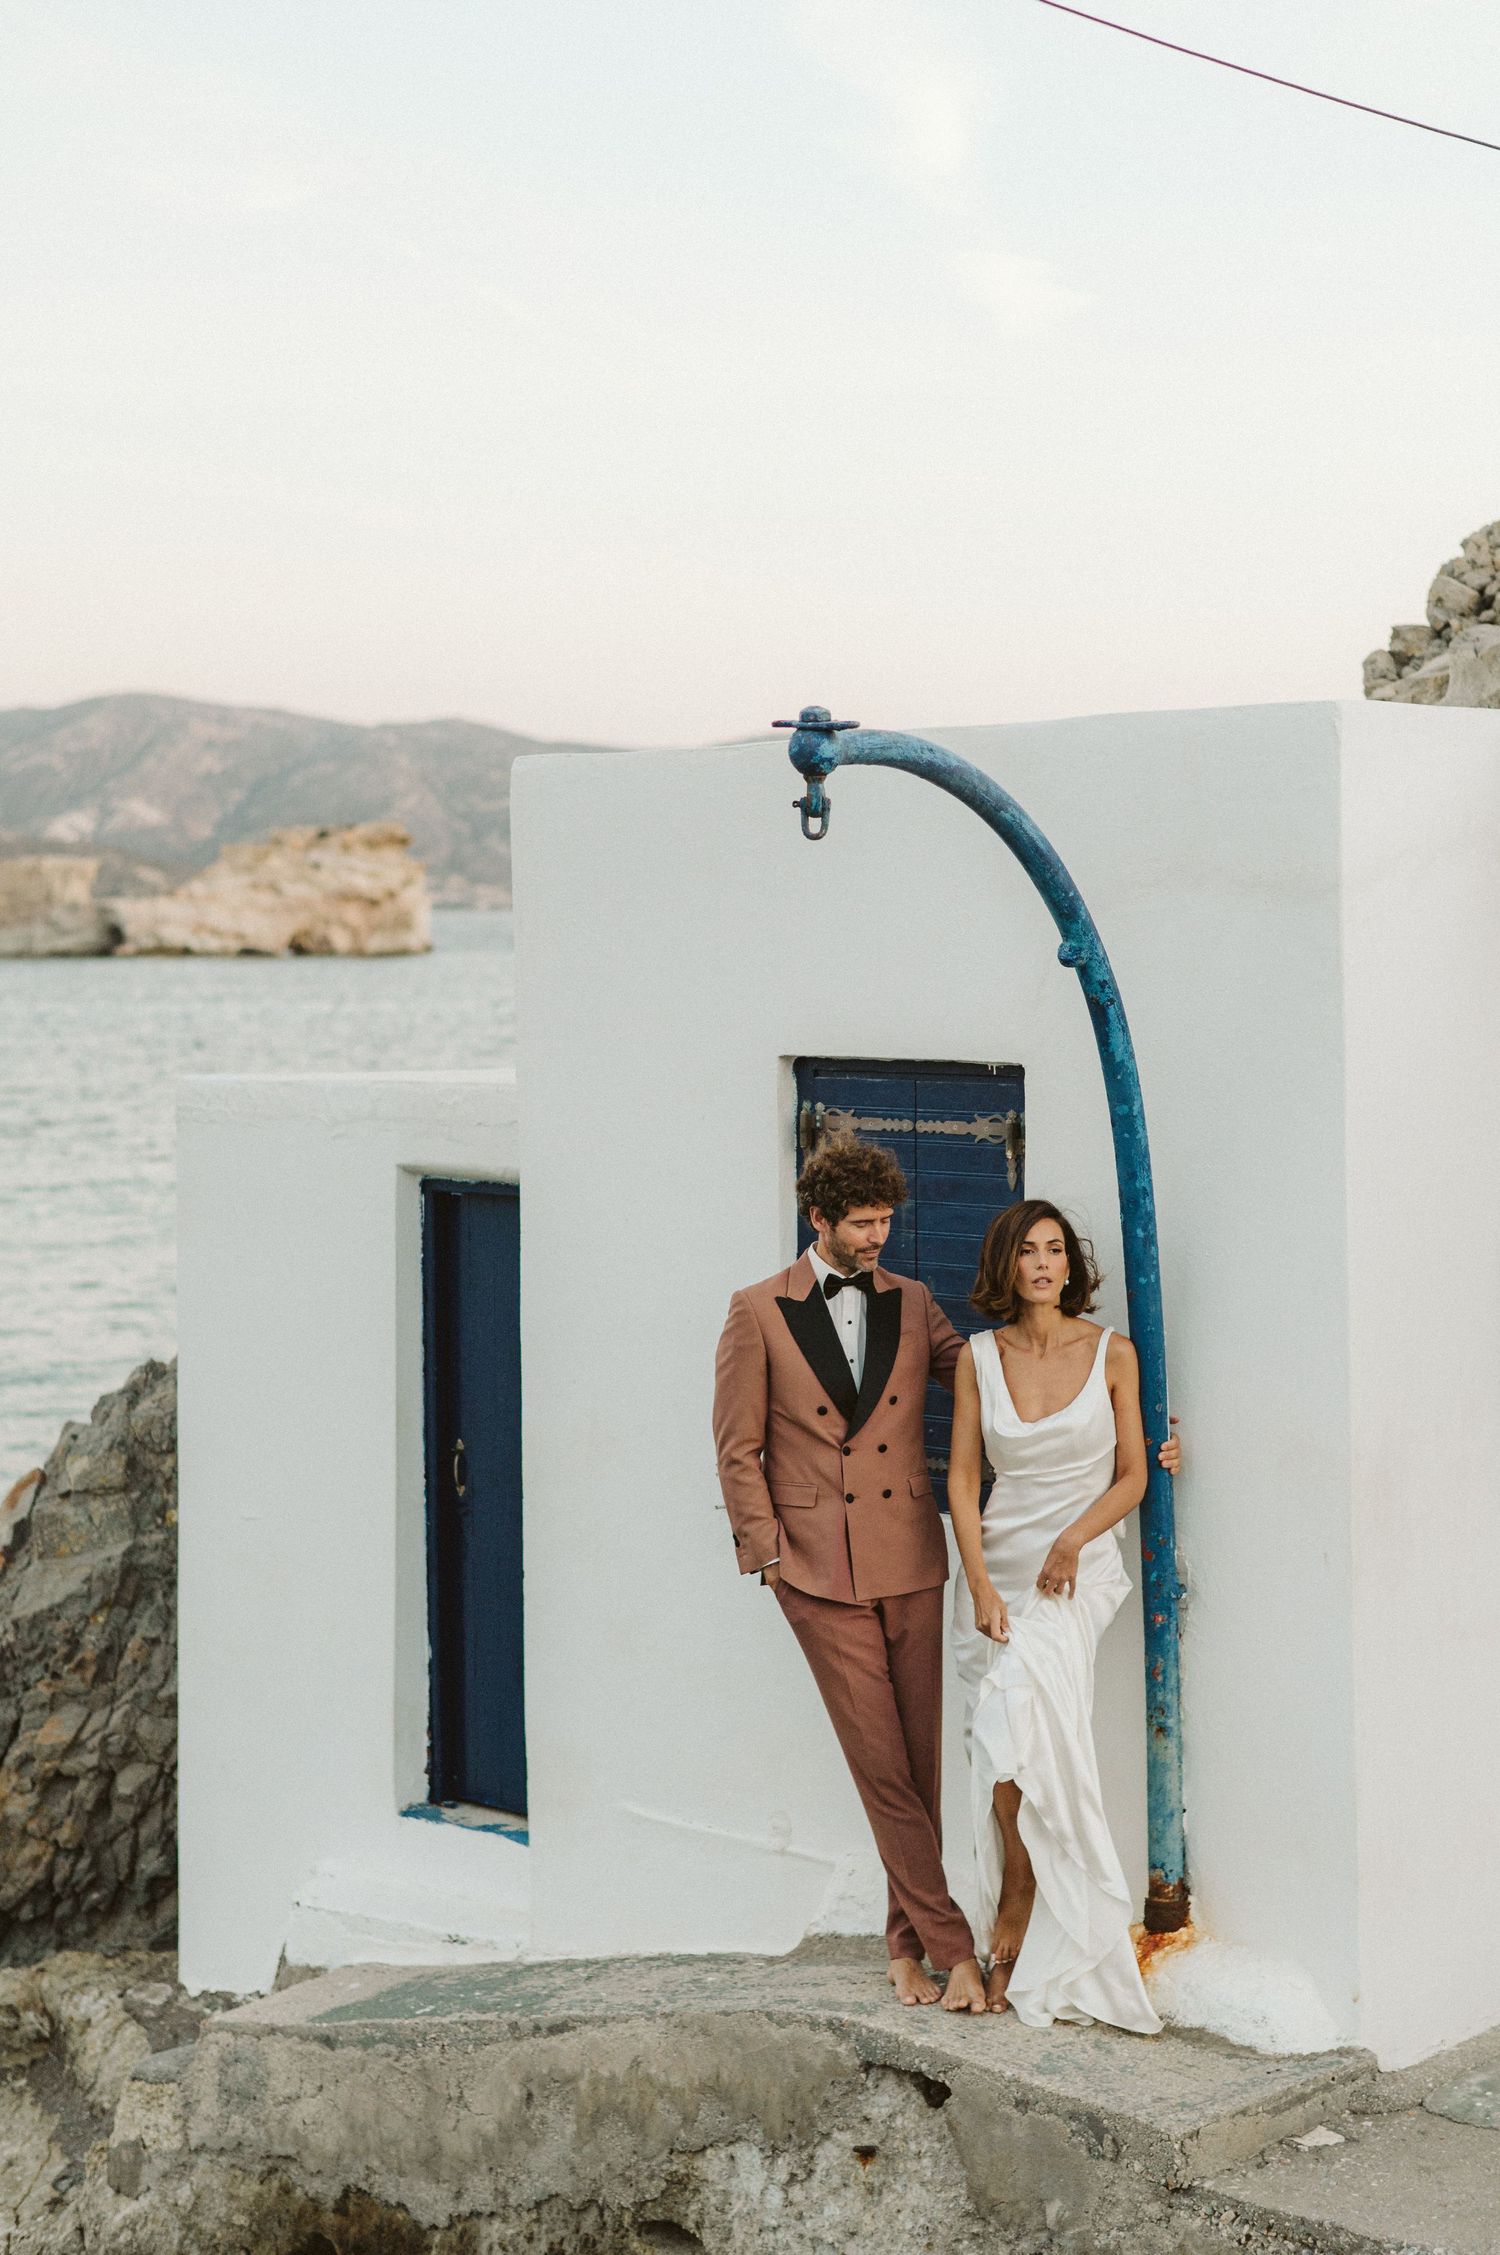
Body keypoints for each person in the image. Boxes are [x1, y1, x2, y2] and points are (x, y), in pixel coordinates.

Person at [713, 1136, 988, 2012]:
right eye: (862, 1223)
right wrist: (768, 1560)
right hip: (817, 1570)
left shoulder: (912, 1302)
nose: (878, 1238)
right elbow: (737, 1447)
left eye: (885, 1222)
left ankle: (905, 1951)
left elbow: (986, 1385)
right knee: (880, 1765)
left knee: (917, 1764)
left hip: (909, 1554)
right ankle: (958, 1951)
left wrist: (1108, 1396)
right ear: (818, 1217)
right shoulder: (756, 1310)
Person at [947, 1198, 1181, 2029]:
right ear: (1006, 1266)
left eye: (1055, 1250)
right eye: (1027, 1252)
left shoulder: (1113, 1352)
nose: (1043, 1264)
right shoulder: (979, 1356)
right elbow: (963, 1481)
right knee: (1002, 1746)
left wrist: (1075, 1540)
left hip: (1076, 1573)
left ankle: (1018, 1901)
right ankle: (1018, 1891)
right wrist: (976, 1583)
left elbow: (1133, 1474)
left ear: (1070, 1265)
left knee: (1023, 1718)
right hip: (997, 1569)